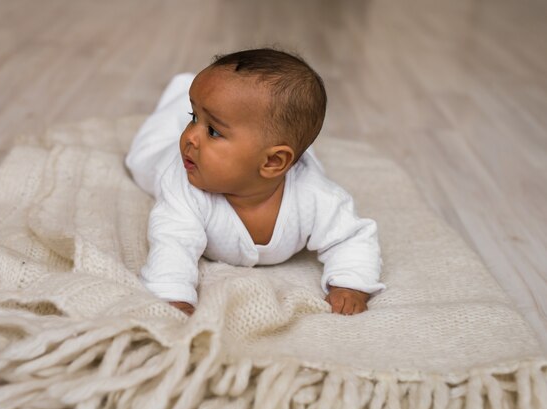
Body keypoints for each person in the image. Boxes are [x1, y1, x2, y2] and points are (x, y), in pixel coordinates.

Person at [126, 48, 384, 316]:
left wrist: (350, 284)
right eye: (193, 118)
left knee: (276, 130)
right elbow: (172, 240)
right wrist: (173, 295)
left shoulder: (315, 197)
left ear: (273, 162)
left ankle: (207, 109)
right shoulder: (183, 185)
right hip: (164, 157)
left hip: (277, 155)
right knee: (143, 156)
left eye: (213, 130)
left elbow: (352, 237)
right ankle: (183, 94)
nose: (190, 136)